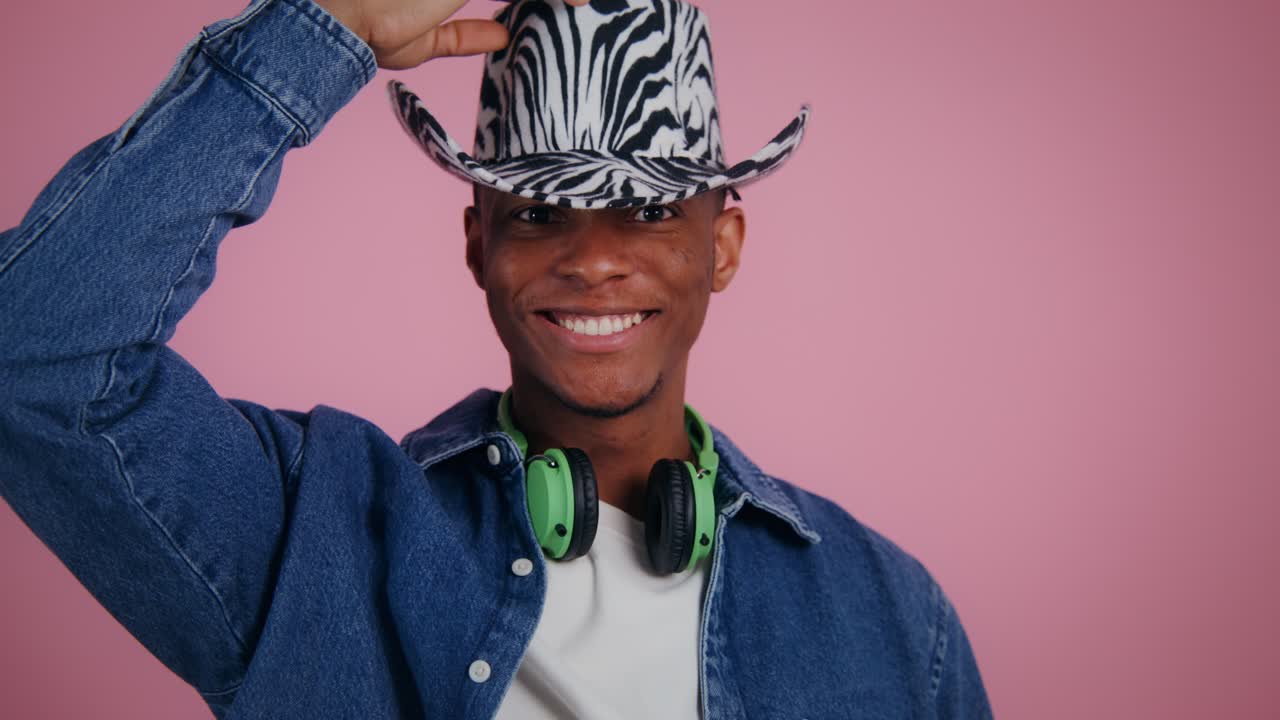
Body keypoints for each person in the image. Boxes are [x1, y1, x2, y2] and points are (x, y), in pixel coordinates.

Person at [0, 0, 993, 717]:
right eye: (536, 211)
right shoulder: (316, 538)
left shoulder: (888, 611)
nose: (593, 258)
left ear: (720, 247)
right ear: (477, 245)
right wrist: (318, 30)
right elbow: (31, 354)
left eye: (648, 211)